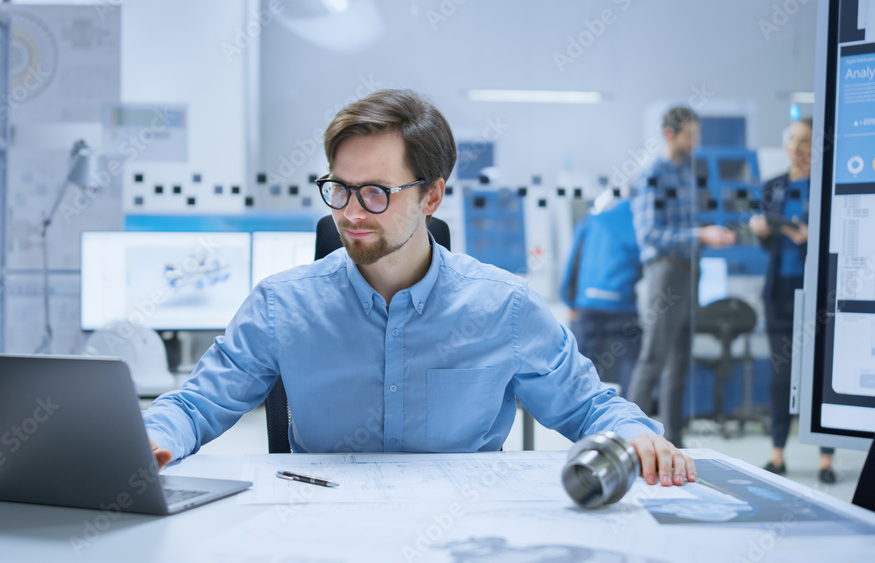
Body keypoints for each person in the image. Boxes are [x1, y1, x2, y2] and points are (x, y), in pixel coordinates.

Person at [145, 89, 696, 487]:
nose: (352, 213)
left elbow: (592, 408)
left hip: (464, 536)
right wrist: (148, 439)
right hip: (323, 533)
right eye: (339, 189)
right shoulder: (281, 305)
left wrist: (639, 436)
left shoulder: (504, 307)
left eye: (376, 193)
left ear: (431, 197)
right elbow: (195, 406)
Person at [628, 106, 736, 448]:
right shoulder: (653, 176)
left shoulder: (688, 175)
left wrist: (708, 236)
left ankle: (671, 442)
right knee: (653, 359)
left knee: (680, 363)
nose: (695, 143)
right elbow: (649, 235)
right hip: (665, 273)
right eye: (690, 136)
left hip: (691, 273)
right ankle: (628, 439)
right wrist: (700, 235)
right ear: (670, 135)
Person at [749, 117, 836, 483]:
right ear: (786, 145)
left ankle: (826, 459)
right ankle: (778, 453)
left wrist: (811, 239)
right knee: (780, 374)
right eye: (794, 140)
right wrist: (760, 229)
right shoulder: (773, 186)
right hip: (780, 293)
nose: (798, 148)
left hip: (817, 291)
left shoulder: (826, 185)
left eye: (806, 142)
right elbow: (765, 240)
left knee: (820, 373)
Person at [560, 196, 642, 397]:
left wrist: (568, 298)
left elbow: (573, 261)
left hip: (588, 303)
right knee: (631, 361)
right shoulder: (638, 220)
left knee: (582, 364)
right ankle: (628, 417)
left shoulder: (591, 220)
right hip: (623, 305)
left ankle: (581, 417)